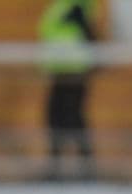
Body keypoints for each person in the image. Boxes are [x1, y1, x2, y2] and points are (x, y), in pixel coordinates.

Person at [38, 0, 96, 180]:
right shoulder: (64, 5)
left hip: (72, 73)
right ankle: (58, 167)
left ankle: (84, 169)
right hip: (61, 72)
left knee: (71, 118)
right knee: (58, 118)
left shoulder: (76, 5)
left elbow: (89, 35)